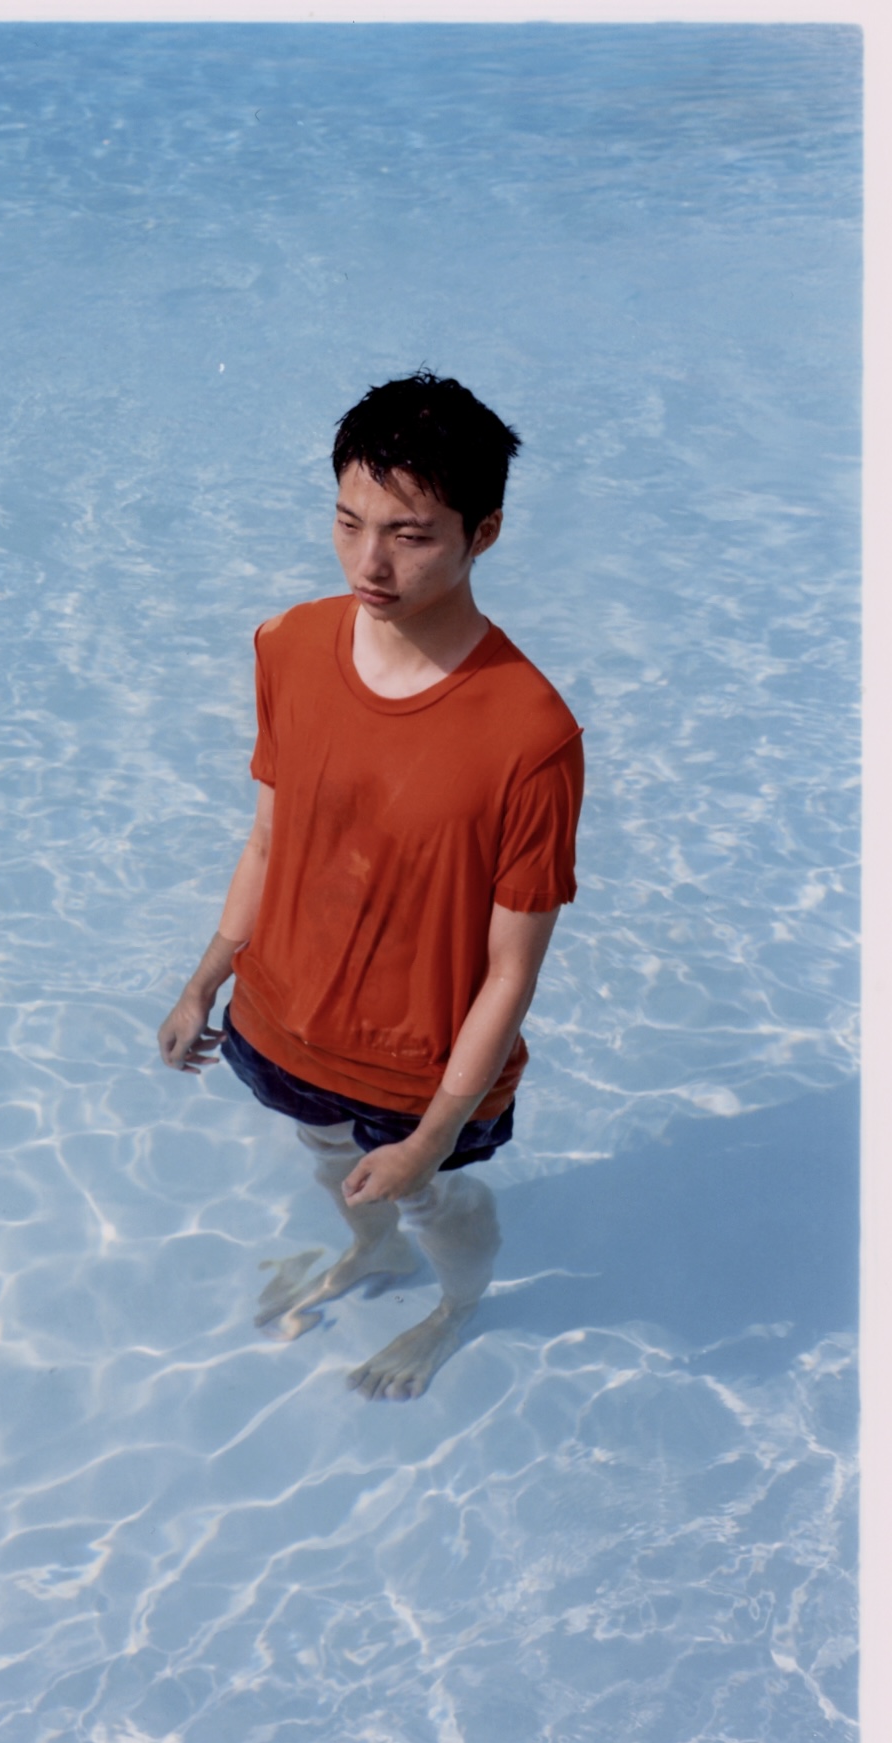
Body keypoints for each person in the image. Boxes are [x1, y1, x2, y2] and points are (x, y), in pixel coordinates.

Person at [158, 370, 583, 1400]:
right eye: (348, 523)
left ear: (484, 532)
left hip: (420, 1073)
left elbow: (509, 973)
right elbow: (271, 834)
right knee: (323, 1158)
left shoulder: (532, 737)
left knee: (434, 1198)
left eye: (410, 534)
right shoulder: (290, 644)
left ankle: (455, 1306)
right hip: (282, 1018)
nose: (369, 562)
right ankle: (376, 1253)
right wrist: (205, 976)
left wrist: (433, 1135)